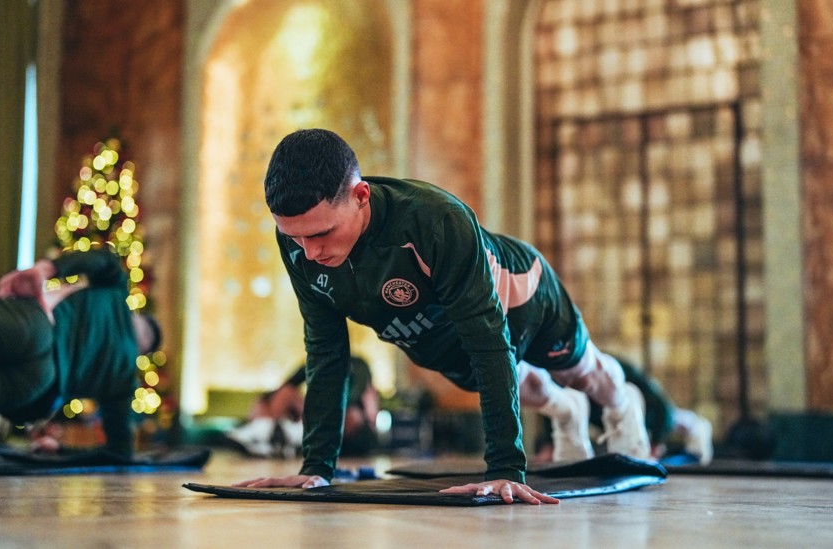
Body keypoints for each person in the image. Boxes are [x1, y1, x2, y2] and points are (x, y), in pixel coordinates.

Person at [234, 128, 651, 506]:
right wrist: (316, 469)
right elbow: (326, 351)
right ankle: (566, 412)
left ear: (361, 196)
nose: (309, 253)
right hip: (439, 339)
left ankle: (623, 410)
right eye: (295, 237)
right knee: (529, 386)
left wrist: (506, 470)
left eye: (322, 233)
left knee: (583, 370)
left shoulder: (434, 221)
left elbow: (489, 340)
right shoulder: (299, 243)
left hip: (524, 298)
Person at [0, 247, 162, 458]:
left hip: (34, 325)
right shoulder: (125, 380)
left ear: (137, 315)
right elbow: (119, 452)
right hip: (37, 382)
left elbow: (104, 258)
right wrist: (61, 449)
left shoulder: (117, 293)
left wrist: (46, 269)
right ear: (144, 350)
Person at [529, 355, 714, 465]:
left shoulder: (612, 369)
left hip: (643, 410)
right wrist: (549, 445)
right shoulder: (557, 379)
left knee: (676, 420)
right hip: (605, 414)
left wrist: (656, 445)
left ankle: (697, 426)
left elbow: (662, 406)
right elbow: (555, 410)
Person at [224, 356, 379, 458]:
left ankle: (280, 438)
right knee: (285, 393)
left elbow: (354, 401)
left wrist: (316, 410)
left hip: (344, 426)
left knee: (350, 415)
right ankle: (271, 434)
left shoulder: (358, 366)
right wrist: (264, 403)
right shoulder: (320, 357)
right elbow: (285, 387)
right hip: (313, 419)